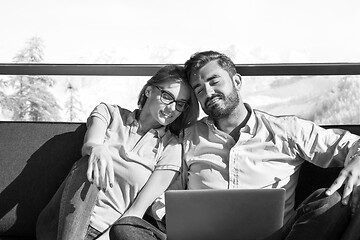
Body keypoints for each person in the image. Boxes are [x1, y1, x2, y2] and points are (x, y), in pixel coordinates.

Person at [110, 50, 360, 240]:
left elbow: (352, 145)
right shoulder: (186, 138)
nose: (207, 92)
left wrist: (357, 165)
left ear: (237, 82)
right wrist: (176, 223)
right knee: (125, 229)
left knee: (330, 202)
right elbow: (165, 197)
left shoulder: (286, 130)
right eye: (198, 89)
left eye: (214, 81)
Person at [36, 64, 199, 240]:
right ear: (149, 91)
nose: (172, 108)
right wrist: (97, 148)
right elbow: (90, 144)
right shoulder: (110, 113)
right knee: (89, 161)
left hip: (105, 234)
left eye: (180, 104)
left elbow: (136, 212)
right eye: (167, 96)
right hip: (60, 224)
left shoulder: (171, 148)